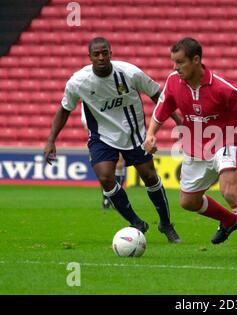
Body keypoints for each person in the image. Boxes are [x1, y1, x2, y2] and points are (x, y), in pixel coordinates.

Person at [143, 37, 237, 261]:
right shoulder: (174, 81)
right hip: (194, 148)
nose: (175, 67)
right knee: (188, 202)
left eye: (180, 62)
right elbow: (162, 108)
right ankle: (229, 221)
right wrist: (151, 134)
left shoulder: (222, 88)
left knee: (230, 192)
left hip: (226, 142)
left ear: (196, 60)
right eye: (173, 62)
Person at [44, 37, 182, 243]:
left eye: (104, 53)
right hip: (101, 136)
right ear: (89, 57)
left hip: (133, 132)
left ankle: (166, 224)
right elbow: (64, 109)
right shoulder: (78, 82)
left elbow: (157, 95)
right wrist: (51, 140)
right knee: (106, 178)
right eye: (96, 54)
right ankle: (136, 222)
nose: (101, 57)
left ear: (111, 53)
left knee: (150, 176)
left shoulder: (130, 73)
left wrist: (178, 121)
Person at [81, 104, 126, 209]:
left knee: (119, 164)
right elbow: (86, 123)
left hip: (116, 133)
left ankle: (116, 198)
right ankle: (106, 198)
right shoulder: (87, 101)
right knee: (105, 171)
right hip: (100, 137)